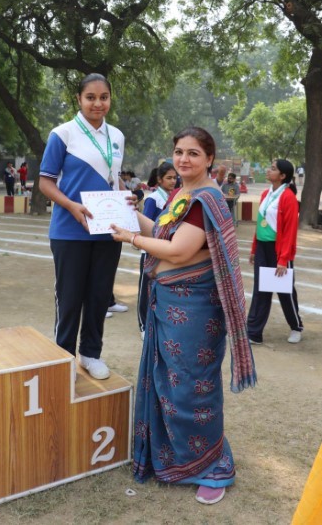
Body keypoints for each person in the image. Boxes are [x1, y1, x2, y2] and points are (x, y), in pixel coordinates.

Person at [110, 126, 256, 505]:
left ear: (209, 159)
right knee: (168, 382)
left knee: (192, 385)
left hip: (195, 309)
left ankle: (213, 466)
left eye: (193, 153)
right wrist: (132, 216)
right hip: (168, 303)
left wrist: (131, 239)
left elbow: (178, 251)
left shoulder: (206, 199)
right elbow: (162, 233)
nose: (183, 159)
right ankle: (173, 458)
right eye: (178, 152)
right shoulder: (181, 194)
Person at [39, 73, 124, 381]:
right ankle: (64, 358)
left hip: (107, 231)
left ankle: (91, 354)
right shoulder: (62, 134)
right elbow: (45, 182)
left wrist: (126, 200)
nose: (97, 103)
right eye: (90, 97)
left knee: (99, 296)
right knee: (70, 298)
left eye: (104, 97)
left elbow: (113, 180)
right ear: (79, 99)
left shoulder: (117, 136)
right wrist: (72, 205)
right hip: (69, 231)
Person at [247, 159, 303, 345]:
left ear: (282, 176)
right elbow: (260, 223)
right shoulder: (266, 194)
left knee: (284, 291)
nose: (268, 170)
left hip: (278, 250)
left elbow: (290, 231)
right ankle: (254, 333)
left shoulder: (288, 197)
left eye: (272, 169)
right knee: (260, 289)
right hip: (262, 248)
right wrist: (254, 249)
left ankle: (296, 327)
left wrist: (283, 259)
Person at [137, 162, 178, 338]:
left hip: (165, 250)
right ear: (160, 179)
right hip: (150, 250)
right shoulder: (153, 199)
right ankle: (143, 326)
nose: (173, 181)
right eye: (169, 178)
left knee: (162, 288)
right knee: (145, 289)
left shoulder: (176, 198)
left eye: (175, 178)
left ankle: (158, 323)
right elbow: (145, 222)